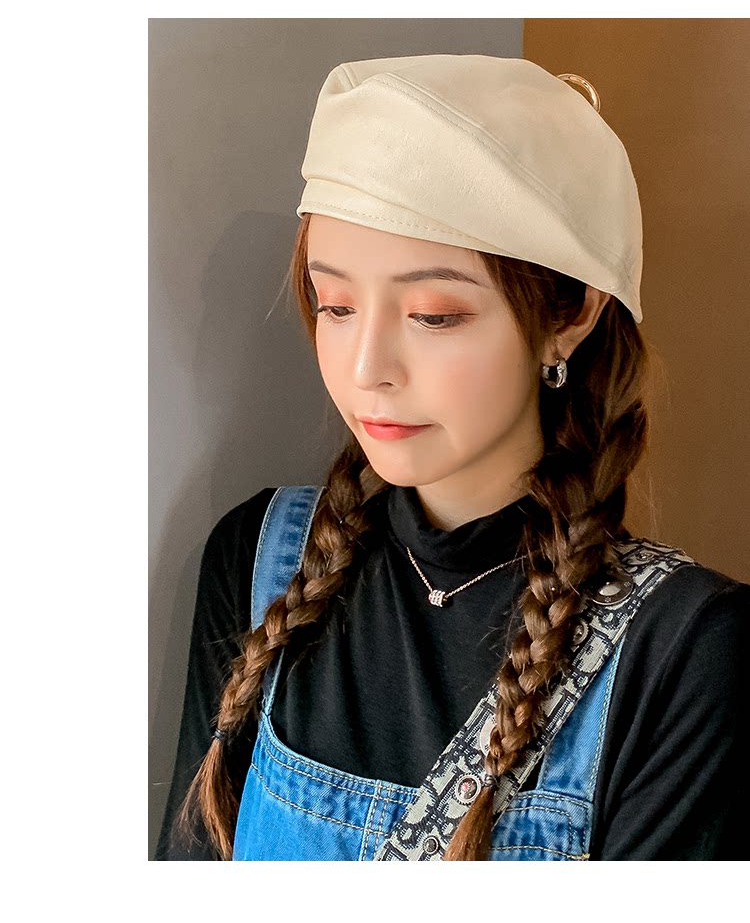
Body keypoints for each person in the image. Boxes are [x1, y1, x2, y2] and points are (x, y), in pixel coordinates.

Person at [155, 54, 749, 861]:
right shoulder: (259, 562)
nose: (367, 368)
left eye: (434, 315)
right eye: (336, 305)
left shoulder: (689, 650)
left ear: (570, 314)